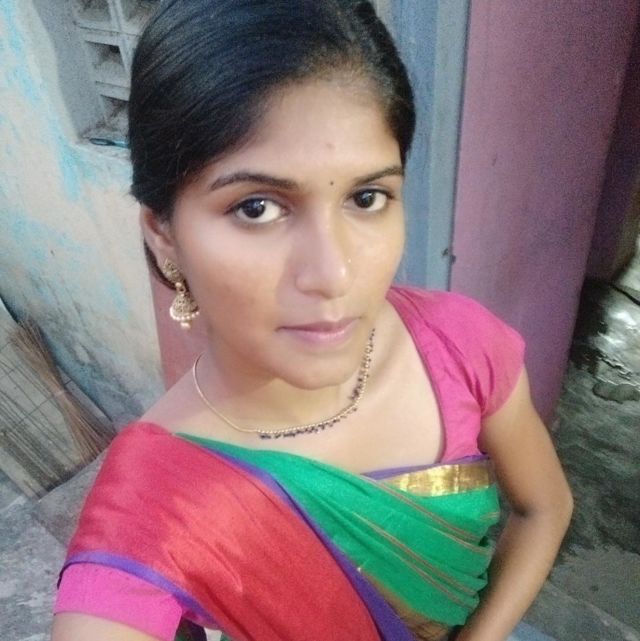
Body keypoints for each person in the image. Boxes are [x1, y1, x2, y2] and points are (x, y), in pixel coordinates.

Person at [51, 1, 573, 640]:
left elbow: (544, 507)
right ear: (163, 233)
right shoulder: (155, 509)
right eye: (257, 208)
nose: (334, 273)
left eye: (366, 197)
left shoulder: (461, 344)